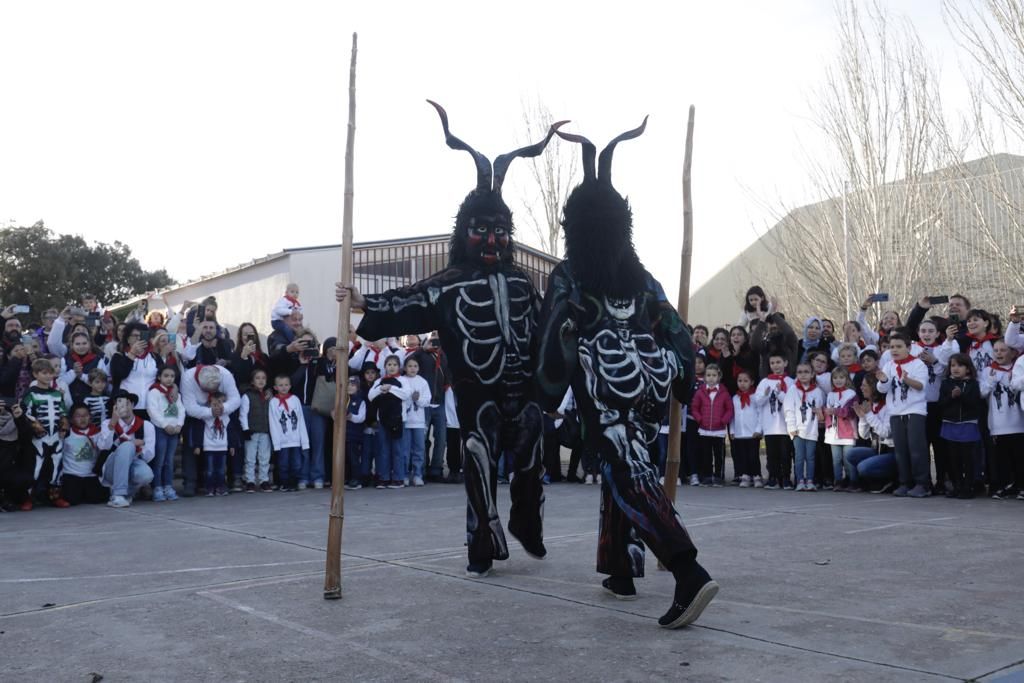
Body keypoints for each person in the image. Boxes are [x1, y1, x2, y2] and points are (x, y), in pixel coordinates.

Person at [337, 101, 552, 577]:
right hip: (478, 394)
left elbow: (544, 329)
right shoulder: (448, 283)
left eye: (499, 231)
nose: (492, 241)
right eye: (481, 231)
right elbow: (408, 299)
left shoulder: (522, 282)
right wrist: (363, 301)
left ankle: (525, 516)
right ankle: (482, 541)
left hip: (524, 392)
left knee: (533, 441)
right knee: (478, 447)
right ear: (464, 232)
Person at [535, 120, 716, 629]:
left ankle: (688, 571)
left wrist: (548, 390)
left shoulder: (571, 276)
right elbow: (676, 330)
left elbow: (555, 337)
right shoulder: (643, 277)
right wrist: (683, 378)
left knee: (626, 471)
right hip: (650, 390)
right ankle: (621, 568)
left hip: (605, 390)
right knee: (629, 468)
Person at [875, 332, 930, 497]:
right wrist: (884, 381)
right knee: (900, 450)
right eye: (892, 347)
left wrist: (907, 380)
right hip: (896, 412)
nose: (894, 350)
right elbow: (882, 389)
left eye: (899, 346)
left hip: (914, 411)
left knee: (916, 448)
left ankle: (922, 483)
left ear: (908, 347)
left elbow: (921, 386)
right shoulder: (889, 366)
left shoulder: (918, 364)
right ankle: (905, 482)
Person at [180, 364, 241, 496]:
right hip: (198, 414)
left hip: (222, 411)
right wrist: (210, 412)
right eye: (207, 390)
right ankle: (191, 482)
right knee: (190, 441)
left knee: (233, 432)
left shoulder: (225, 375)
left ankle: (233, 478)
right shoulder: (188, 378)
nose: (210, 393)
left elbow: (236, 400)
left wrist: (223, 409)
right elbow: (189, 407)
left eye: (214, 389)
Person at [979, 340, 1023, 499]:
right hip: (998, 423)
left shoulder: (1017, 369)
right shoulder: (988, 371)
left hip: (1018, 422)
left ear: (1012, 353)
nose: (998, 353)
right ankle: (1003, 485)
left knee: (1019, 457)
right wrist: (990, 381)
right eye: (996, 350)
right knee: (1001, 458)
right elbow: (982, 393)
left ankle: (1020, 486)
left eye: (1003, 350)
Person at [22, 358, 69, 508]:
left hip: (55, 436)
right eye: (44, 373)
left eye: (50, 373)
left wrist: (63, 427)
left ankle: (55, 496)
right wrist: (35, 426)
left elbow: (62, 412)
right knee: (35, 468)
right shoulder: (31, 394)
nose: (48, 376)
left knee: (57, 467)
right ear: (35, 374)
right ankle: (27, 498)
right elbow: (26, 413)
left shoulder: (56, 394)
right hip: (39, 437)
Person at [101, 390, 155, 508]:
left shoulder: (146, 425)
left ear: (132, 405)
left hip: (134, 461)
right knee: (126, 446)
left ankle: (128, 493)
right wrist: (113, 423)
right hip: (112, 466)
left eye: (127, 403)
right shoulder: (107, 423)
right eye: (119, 403)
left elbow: (149, 455)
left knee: (146, 475)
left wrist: (132, 449)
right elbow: (103, 447)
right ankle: (118, 494)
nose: (124, 407)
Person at [939, 354, 983, 499]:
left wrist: (961, 395)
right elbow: (941, 404)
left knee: (967, 457)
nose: (955, 369)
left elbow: (975, 405)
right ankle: (957, 485)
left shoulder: (973, 384)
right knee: (953, 458)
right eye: (952, 365)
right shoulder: (946, 384)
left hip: (967, 424)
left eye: (960, 365)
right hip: (950, 424)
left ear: (968, 369)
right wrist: (951, 396)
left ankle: (968, 486)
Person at [409, 332, 450, 482]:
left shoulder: (444, 355)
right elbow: (408, 363)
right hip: (424, 404)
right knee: (422, 439)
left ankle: (436, 469)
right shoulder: (421, 355)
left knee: (441, 438)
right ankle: (422, 469)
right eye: (433, 338)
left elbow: (448, 374)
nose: (435, 341)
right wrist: (422, 349)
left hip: (440, 402)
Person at [849, 375, 897, 492]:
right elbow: (864, 435)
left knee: (863, 467)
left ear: (873, 388)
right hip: (877, 449)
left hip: (891, 451)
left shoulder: (887, 407)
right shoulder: (871, 405)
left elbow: (885, 433)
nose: (861, 387)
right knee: (851, 454)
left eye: (864, 385)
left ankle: (889, 480)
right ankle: (869, 483)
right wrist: (863, 418)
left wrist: (869, 415)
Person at [368, 355, 410, 489]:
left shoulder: (403, 380)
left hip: (398, 420)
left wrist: (390, 388)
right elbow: (370, 396)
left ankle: (398, 478)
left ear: (399, 367)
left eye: (395, 365)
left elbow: (405, 394)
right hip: (382, 420)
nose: (392, 367)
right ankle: (384, 477)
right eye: (389, 364)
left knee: (397, 450)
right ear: (385, 366)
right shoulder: (380, 381)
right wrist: (381, 388)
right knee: (383, 449)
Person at [690, 363, 733, 486]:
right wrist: (699, 419)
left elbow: (729, 409)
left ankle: (719, 476)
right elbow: (694, 407)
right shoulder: (700, 392)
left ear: (719, 377)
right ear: (704, 377)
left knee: (719, 454)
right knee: (706, 454)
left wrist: (724, 420)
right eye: (708, 375)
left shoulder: (724, 393)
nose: (711, 378)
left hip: (718, 430)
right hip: (704, 429)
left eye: (714, 375)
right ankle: (707, 476)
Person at [754, 353, 792, 490]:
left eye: (778, 362)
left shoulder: (790, 382)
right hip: (770, 425)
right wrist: (765, 394)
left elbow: (791, 402)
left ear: (785, 363)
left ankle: (786, 477)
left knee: (785, 453)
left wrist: (780, 393)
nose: (776, 366)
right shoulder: (764, 382)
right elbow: (757, 402)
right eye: (773, 363)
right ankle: (773, 477)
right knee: (772, 454)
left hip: (785, 425)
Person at [60, 403, 111, 505]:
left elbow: (105, 447)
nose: (82, 419)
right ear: (71, 419)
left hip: (90, 475)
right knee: (72, 500)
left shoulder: (97, 433)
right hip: (72, 474)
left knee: (97, 498)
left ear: (90, 417)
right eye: (78, 416)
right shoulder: (66, 434)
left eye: (86, 415)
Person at [147, 366, 185, 502]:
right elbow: (153, 411)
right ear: (159, 377)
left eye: (172, 376)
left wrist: (179, 424)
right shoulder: (154, 393)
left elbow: (181, 409)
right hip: (161, 430)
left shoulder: (176, 394)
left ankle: (168, 486)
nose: (169, 379)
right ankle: (157, 487)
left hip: (174, 430)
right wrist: (165, 425)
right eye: (166, 376)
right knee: (160, 460)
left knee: (169, 460)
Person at [786, 362, 824, 492]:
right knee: (799, 456)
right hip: (798, 429)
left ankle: (810, 480)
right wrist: (791, 427)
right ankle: (800, 480)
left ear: (812, 374)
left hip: (812, 429)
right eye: (800, 372)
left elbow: (820, 408)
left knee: (811, 457)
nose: (803, 375)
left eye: (806, 372)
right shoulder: (793, 390)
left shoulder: (817, 391)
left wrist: (819, 414)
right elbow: (789, 409)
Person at [269, 374, 308, 492]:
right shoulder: (273, 402)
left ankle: (293, 482)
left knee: (297, 463)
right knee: (283, 463)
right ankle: (284, 483)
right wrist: (276, 443)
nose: (284, 387)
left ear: (290, 386)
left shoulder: (295, 399)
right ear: (275, 387)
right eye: (280, 385)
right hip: (282, 440)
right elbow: (273, 423)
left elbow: (300, 420)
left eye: (286, 385)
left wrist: (304, 441)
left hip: (295, 439)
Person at [824, 367, 859, 491]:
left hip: (848, 432)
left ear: (847, 379)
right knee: (836, 460)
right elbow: (828, 412)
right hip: (833, 432)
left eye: (841, 377)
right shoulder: (830, 394)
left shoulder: (851, 394)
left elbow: (851, 412)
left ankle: (853, 481)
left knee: (848, 459)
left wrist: (836, 411)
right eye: (835, 378)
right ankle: (838, 481)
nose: (838, 380)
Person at [240, 368, 274, 492]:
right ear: (252, 381)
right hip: (252, 431)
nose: (261, 380)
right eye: (258, 378)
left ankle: (264, 479)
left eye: (263, 378)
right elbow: (243, 414)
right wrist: (245, 429)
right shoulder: (247, 396)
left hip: (265, 430)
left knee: (264, 456)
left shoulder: (268, 396)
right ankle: (250, 480)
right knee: (250, 457)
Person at [400, 355, 432, 487]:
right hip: (406, 420)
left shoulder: (423, 382)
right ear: (405, 368)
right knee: (405, 449)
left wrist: (417, 399)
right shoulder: (402, 380)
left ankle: (418, 474)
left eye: (415, 366)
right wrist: (409, 399)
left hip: (418, 421)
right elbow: (400, 397)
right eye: (410, 366)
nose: (412, 369)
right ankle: (405, 474)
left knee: (419, 448)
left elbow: (427, 400)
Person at [730, 371, 762, 488]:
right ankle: (745, 475)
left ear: (752, 382)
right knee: (742, 456)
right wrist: (732, 431)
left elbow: (760, 414)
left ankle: (757, 475)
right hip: (739, 433)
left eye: (745, 381)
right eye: (740, 381)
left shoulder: (755, 397)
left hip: (752, 433)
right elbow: (732, 416)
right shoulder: (735, 398)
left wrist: (759, 429)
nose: (742, 384)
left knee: (753, 456)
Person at [0, 398, 33, 511]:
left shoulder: (16, 420)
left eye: (3, 406)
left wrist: (19, 417)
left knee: (22, 478)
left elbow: (27, 437)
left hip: (10, 467)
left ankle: (8, 498)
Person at [198, 393, 232, 496]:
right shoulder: (206, 416)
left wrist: (232, 445)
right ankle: (209, 488)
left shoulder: (226, 417)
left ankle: (221, 487)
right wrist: (198, 445)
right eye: (214, 404)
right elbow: (199, 431)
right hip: (209, 447)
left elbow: (231, 431)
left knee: (221, 470)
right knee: (210, 470)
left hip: (222, 447)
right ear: (209, 405)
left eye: (220, 403)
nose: (217, 406)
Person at [343, 376, 367, 490]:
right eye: (348, 384)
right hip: (343, 435)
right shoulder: (342, 399)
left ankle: (356, 479)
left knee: (354, 458)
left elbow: (361, 418)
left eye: (352, 385)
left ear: (357, 387)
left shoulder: (360, 401)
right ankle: (347, 478)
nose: (350, 387)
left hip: (354, 435)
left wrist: (350, 416)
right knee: (345, 458)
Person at [230, 323, 268, 393]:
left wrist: (269, 390)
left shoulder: (263, 357)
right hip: (244, 395)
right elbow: (239, 379)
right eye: (245, 334)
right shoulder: (235, 356)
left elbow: (268, 376)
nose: (248, 337)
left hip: (262, 396)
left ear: (255, 336)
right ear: (241, 337)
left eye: (251, 334)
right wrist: (243, 357)